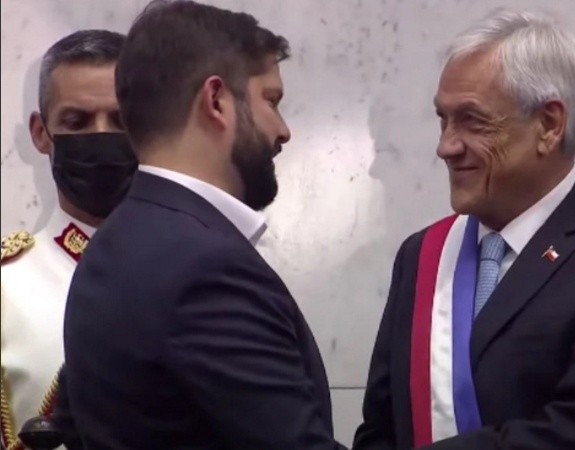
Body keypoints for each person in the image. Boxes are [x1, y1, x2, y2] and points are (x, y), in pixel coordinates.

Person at [354, 9, 575, 450]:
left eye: (472, 120)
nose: (445, 146)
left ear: (549, 126)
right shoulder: (421, 255)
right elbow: (382, 427)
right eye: (443, 119)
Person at [59, 1, 345, 449]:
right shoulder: (206, 267)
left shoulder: (113, 242)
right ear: (216, 101)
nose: (283, 130)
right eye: (271, 101)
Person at [0, 29, 134, 450]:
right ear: (41, 133)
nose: (101, 136)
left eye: (121, 121)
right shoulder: (7, 287)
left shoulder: (206, 273)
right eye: (77, 122)